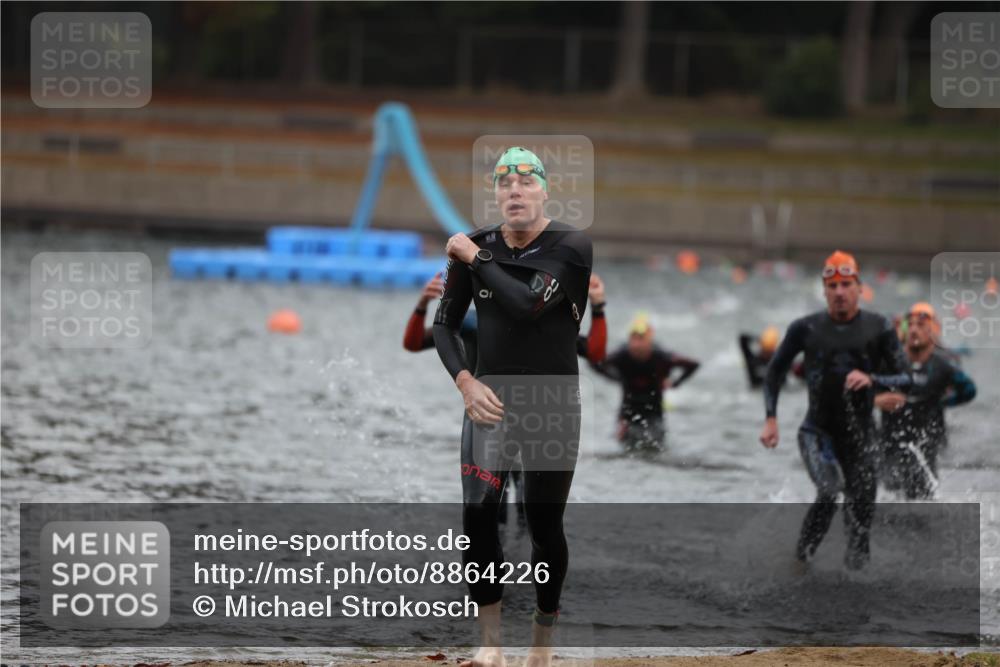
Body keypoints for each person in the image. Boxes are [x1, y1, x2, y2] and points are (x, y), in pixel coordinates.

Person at [433, 146, 593, 667]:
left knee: (543, 526)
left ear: (545, 190)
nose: (515, 191)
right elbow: (445, 324)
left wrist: (474, 258)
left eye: (526, 183)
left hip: (552, 401)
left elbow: (526, 305)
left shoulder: (569, 246)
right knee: (478, 513)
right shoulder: (475, 244)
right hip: (490, 397)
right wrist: (464, 380)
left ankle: (541, 644)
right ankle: (490, 646)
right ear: (496, 194)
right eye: (505, 183)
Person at [405, 272, 608, 530]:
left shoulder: (542, 324)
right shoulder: (471, 322)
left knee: (531, 515)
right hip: (488, 422)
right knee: (488, 511)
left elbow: (595, 352)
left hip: (532, 424)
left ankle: (523, 562)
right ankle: (495, 565)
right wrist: (423, 305)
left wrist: (598, 307)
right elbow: (413, 343)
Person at [759, 250, 911, 570]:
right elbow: (774, 372)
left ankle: (855, 583)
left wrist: (872, 380)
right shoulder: (805, 328)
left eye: (846, 284)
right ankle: (800, 562)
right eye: (833, 286)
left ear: (859, 287)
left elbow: (907, 378)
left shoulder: (879, 326)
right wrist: (771, 419)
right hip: (817, 432)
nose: (840, 292)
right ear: (824, 290)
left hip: (861, 438)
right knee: (829, 492)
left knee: (860, 521)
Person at [876, 302, 976, 499]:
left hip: (928, 441)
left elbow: (969, 390)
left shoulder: (943, 365)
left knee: (922, 493)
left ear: (933, 330)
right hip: (890, 442)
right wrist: (877, 400)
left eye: (921, 325)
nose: (914, 329)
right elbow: (859, 387)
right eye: (910, 324)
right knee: (889, 491)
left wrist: (942, 402)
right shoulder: (886, 361)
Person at [591, 312, 700, 452]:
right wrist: (615, 378)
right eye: (633, 338)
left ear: (649, 340)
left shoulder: (661, 357)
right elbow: (595, 362)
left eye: (640, 339)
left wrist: (674, 383)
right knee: (625, 451)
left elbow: (693, 365)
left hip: (654, 413)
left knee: (656, 449)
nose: (636, 344)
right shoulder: (622, 356)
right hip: (627, 413)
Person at [739, 326, 805, 389]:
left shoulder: (781, 362)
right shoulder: (752, 361)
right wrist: (760, 339)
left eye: (769, 350)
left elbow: (801, 371)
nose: (766, 353)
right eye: (764, 349)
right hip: (758, 391)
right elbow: (742, 338)